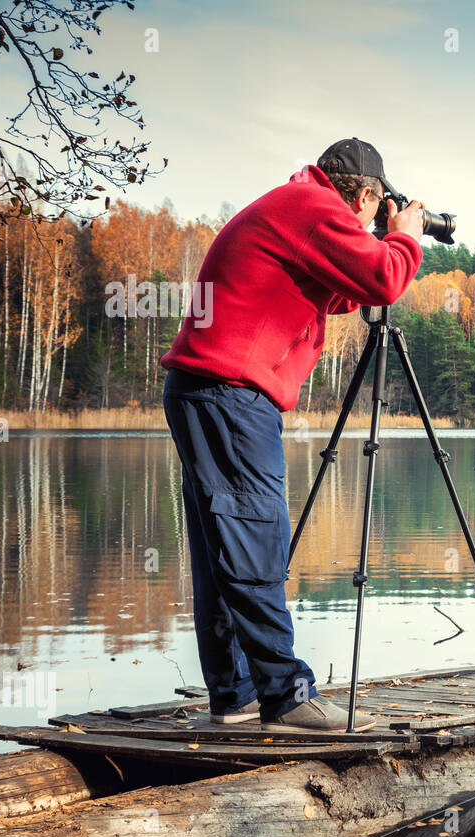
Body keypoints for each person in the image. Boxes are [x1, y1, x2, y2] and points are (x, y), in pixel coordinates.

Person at [159, 138, 425, 732]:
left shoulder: (295, 204)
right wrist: (403, 237)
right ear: (363, 195)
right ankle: (284, 696)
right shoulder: (313, 208)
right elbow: (382, 280)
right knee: (255, 537)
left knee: (223, 546)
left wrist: (380, 239)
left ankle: (235, 696)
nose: (372, 218)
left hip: (207, 390)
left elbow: (342, 292)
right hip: (230, 392)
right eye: (374, 206)